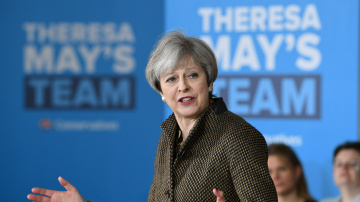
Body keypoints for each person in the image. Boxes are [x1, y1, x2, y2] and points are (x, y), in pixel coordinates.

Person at [27, 31, 277, 201]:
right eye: (171, 79)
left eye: (192, 75)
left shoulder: (238, 136)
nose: (183, 86)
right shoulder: (169, 137)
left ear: (209, 82)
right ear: (161, 92)